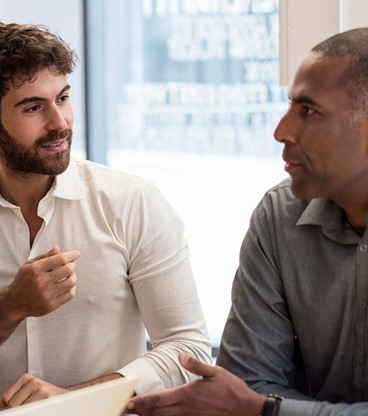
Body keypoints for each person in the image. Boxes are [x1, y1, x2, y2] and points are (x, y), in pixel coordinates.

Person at [0, 21, 212, 416]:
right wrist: (10, 306)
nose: (60, 122)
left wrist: (73, 401)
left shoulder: (131, 201)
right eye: (34, 107)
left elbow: (188, 351)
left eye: (63, 98)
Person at [125, 27, 368, 416]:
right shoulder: (279, 216)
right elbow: (246, 385)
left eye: (308, 110)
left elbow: (250, 404)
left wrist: (269, 410)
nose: (281, 131)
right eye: (290, 106)